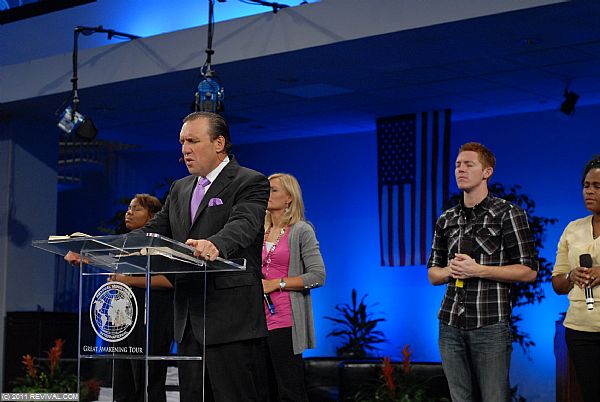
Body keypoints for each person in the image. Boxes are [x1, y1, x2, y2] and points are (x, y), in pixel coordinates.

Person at [140, 111, 270, 402]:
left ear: (219, 143)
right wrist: (102, 246)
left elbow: (243, 224)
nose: (185, 149)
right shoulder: (180, 188)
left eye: (193, 141)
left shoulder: (250, 181)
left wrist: (215, 244)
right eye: (182, 142)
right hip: (189, 322)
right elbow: (152, 231)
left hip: (230, 321)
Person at [427, 142, 538, 402]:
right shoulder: (447, 219)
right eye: (457, 165)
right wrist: (451, 271)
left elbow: (529, 271)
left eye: (469, 164)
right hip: (450, 324)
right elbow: (433, 273)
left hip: (489, 324)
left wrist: (478, 270)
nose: (460, 170)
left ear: (487, 172)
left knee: (494, 397)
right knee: (459, 398)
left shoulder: (507, 213)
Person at [65, 194, 174, 402]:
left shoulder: (161, 248)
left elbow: (170, 281)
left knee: (148, 382)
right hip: (123, 322)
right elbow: (107, 264)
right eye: (128, 208)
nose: (129, 213)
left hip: (151, 322)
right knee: (123, 381)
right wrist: (84, 257)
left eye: (137, 209)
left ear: (153, 217)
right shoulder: (124, 246)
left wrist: (127, 280)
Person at [261, 173, 326, 401]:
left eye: (274, 190)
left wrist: (276, 283)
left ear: (289, 197)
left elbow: (318, 276)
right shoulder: (259, 231)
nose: (268, 194)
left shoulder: (301, 230)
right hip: (256, 321)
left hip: (284, 320)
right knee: (263, 390)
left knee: (290, 391)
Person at [552, 155, 600, 402]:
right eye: (586, 185)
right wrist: (571, 276)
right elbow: (557, 283)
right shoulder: (572, 229)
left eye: (597, 186)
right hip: (580, 331)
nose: (589, 191)